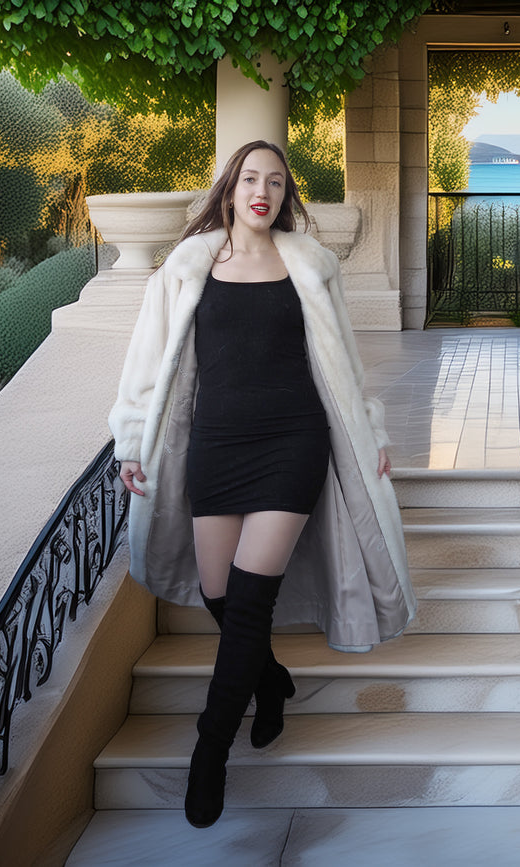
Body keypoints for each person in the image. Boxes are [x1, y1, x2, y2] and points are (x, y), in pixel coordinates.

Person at [108, 140, 416, 829]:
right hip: (216, 445)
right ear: (229, 188)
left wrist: (371, 433)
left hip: (292, 442)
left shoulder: (310, 264)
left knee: (249, 602)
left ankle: (209, 749)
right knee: (220, 594)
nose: (262, 192)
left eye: (275, 182)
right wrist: (131, 439)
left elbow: (345, 361)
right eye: (250, 179)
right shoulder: (186, 267)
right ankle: (270, 681)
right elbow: (146, 362)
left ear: (285, 196)